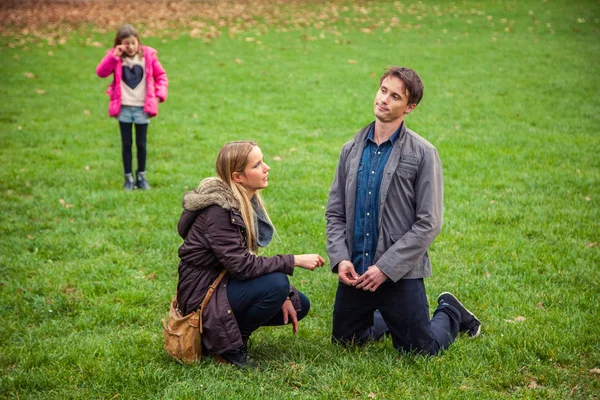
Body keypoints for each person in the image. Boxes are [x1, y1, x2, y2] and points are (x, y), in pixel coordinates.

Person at [325, 66, 481, 356]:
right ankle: (386, 313)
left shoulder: (423, 153)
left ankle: (450, 311)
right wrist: (341, 259)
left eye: (395, 96)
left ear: (409, 107)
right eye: (383, 90)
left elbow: (429, 223)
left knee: (420, 350)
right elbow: (335, 213)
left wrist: (385, 268)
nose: (384, 99)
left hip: (399, 273)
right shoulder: (350, 149)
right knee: (346, 342)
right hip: (357, 270)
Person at [176, 141, 325, 367]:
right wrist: (294, 261)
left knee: (297, 304)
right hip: (201, 294)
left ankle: (228, 337)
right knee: (277, 283)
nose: (267, 168)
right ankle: (229, 347)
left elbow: (241, 264)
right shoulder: (219, 211)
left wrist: (286, 294)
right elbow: (243, 267)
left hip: (222, 282)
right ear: (237, 177)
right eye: (257, 165)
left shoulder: (243, 200)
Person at [96, 24, 168, 190]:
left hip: (143, 109)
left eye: (133, 43)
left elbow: (161, 76)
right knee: (126, 144)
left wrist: (158, 96)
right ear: (119, 44)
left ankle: (141, 177)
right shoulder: (116, 59)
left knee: (141, 145)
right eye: (126, 43)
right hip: (124, 109)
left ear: (138, 42)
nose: (130, 47)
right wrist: (113, 56)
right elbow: (101, 72)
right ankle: (128, 178)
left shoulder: (148, 57)